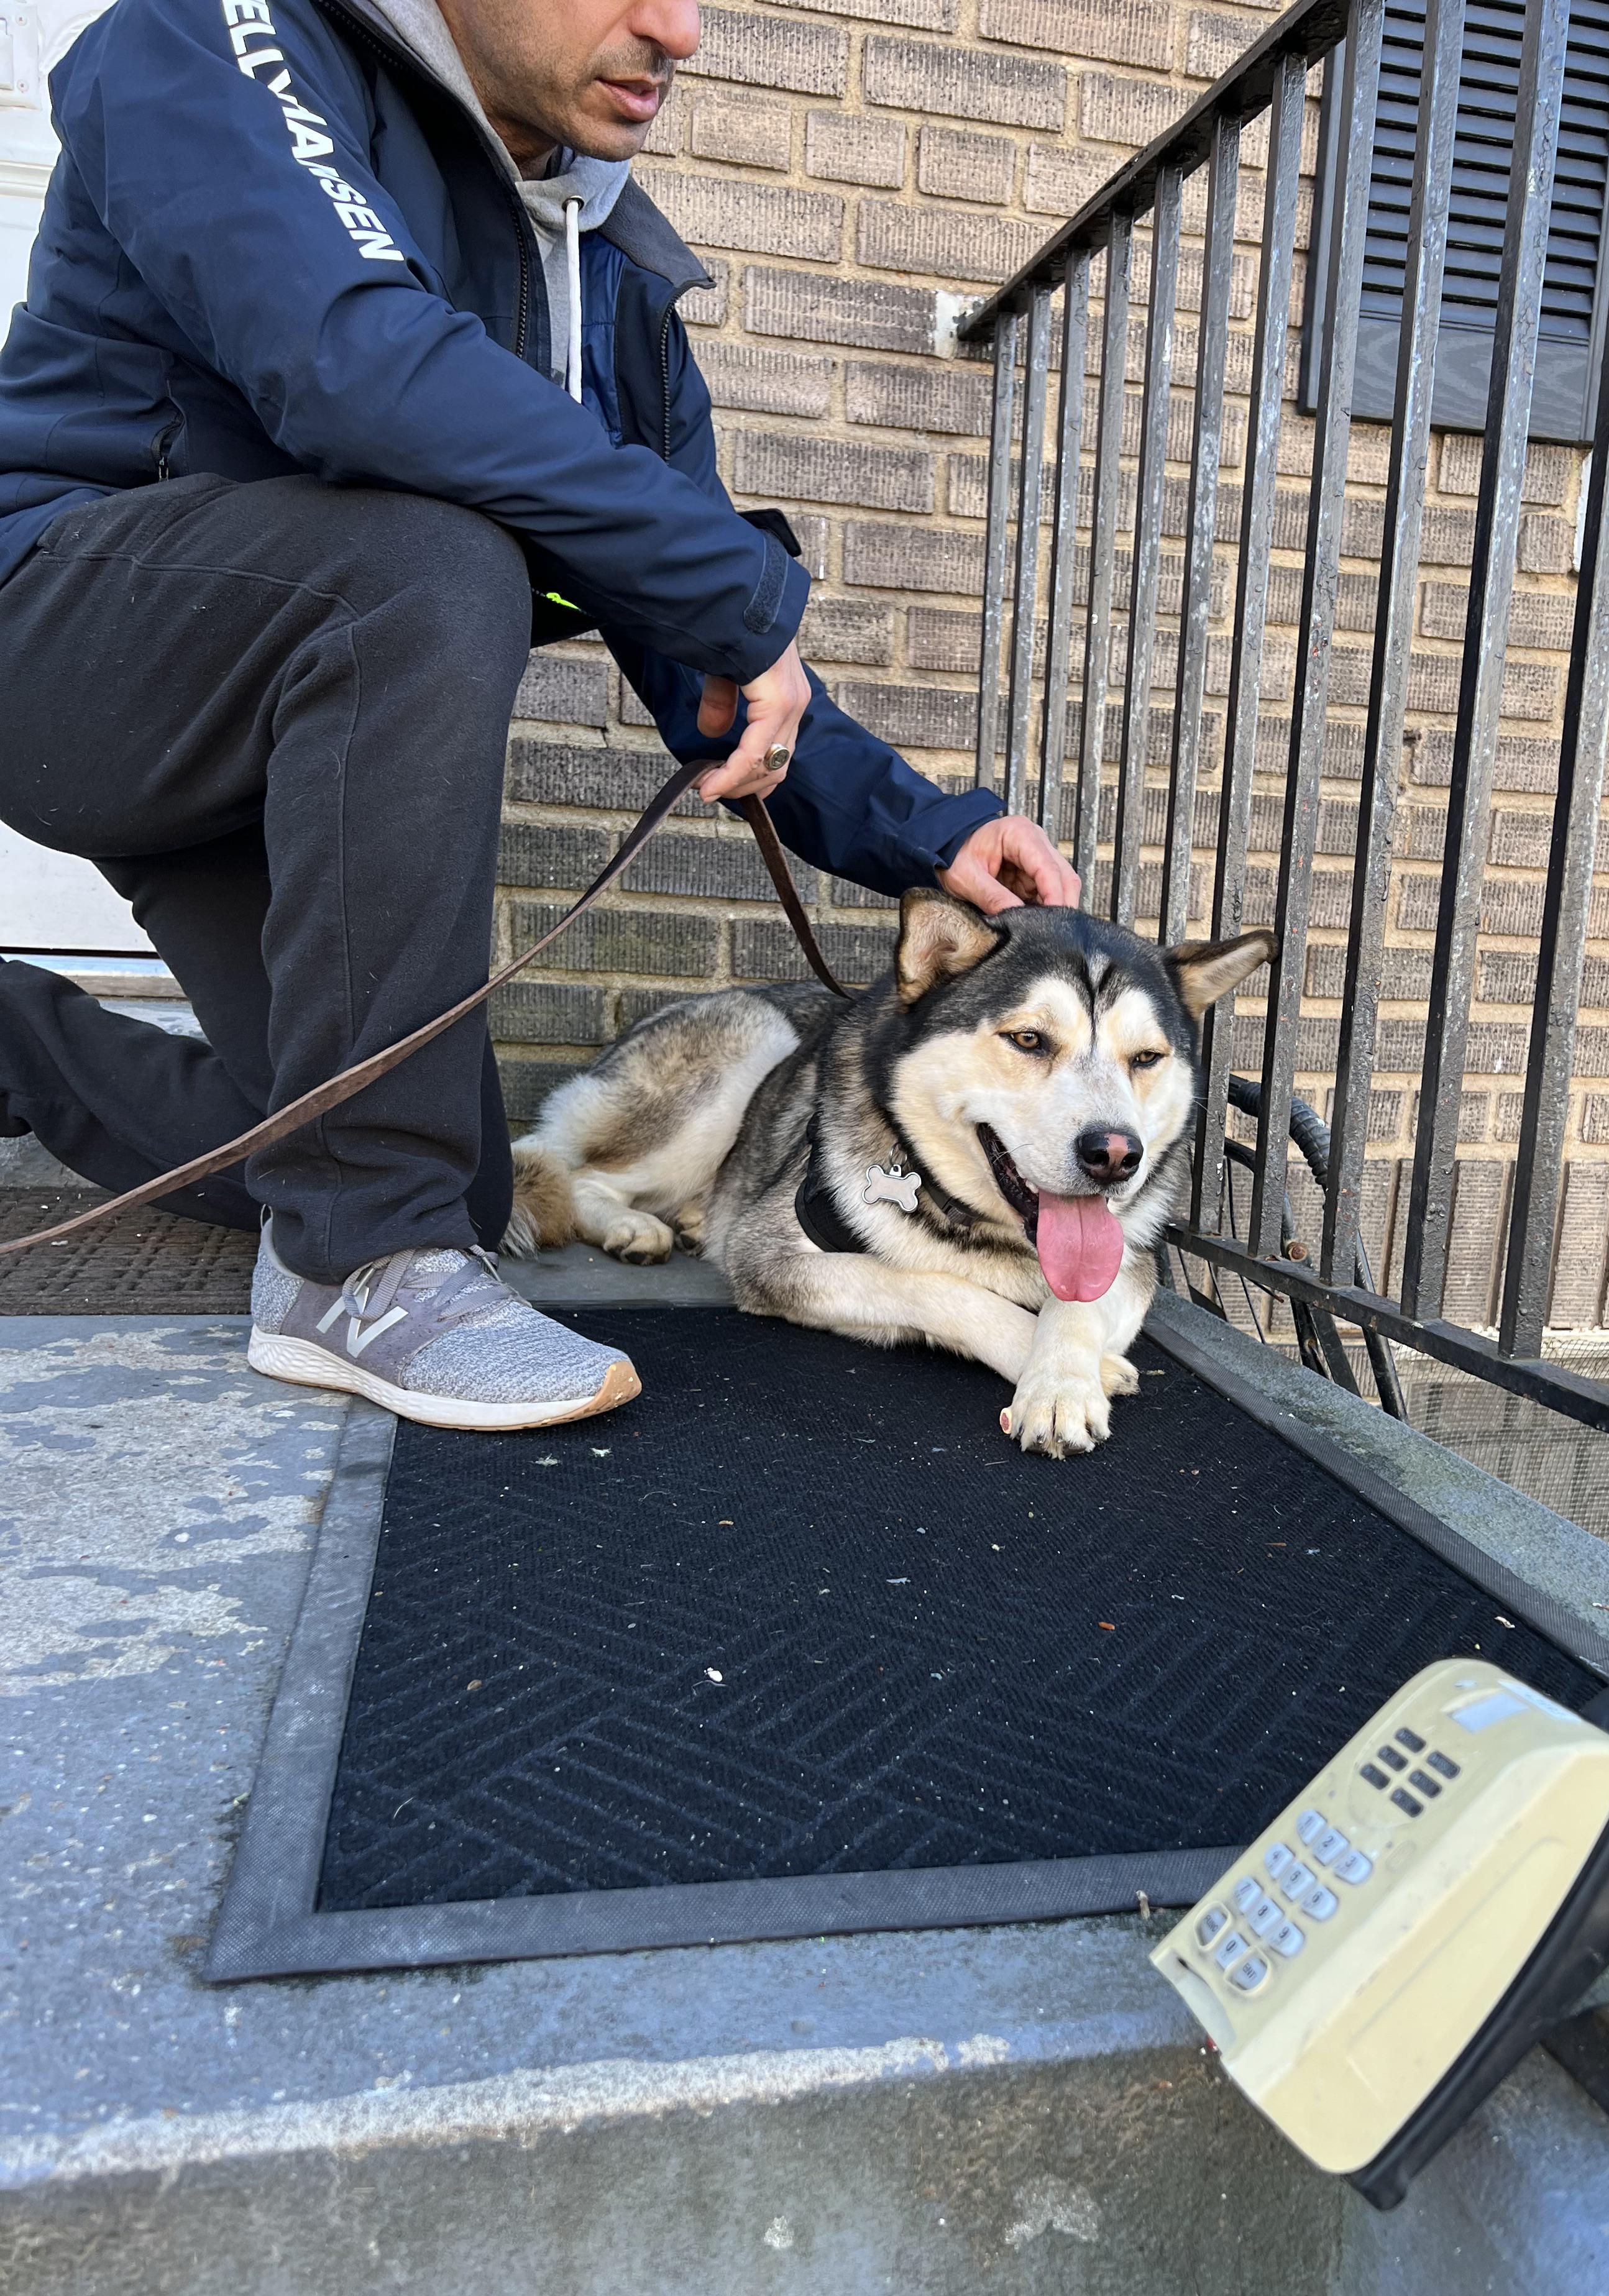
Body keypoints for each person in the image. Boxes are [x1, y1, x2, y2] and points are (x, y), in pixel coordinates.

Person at [0, 0, 1077, 1430]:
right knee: (431, 558)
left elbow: (707, 656)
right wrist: (732, 592)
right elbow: (354, 365)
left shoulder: (605, 279)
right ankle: (352, 1265)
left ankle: (28, 1054)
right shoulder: (220, 34)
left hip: (290, 756)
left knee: (453, 1176)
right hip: (70, 637)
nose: (678, 31)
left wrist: (927, 834)